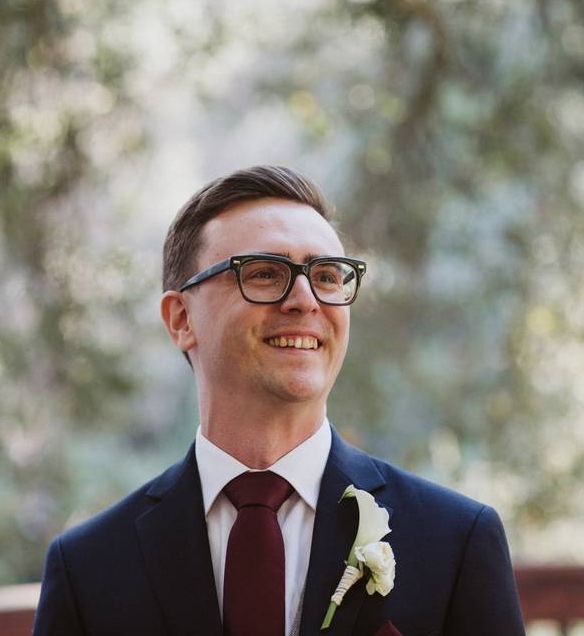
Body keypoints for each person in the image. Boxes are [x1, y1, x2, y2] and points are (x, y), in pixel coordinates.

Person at [32, 165, 526, 636]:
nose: (307, 299)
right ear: (181, 318)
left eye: (329, 276)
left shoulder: (456, 541)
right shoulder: (88, 569)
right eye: (266, 273)